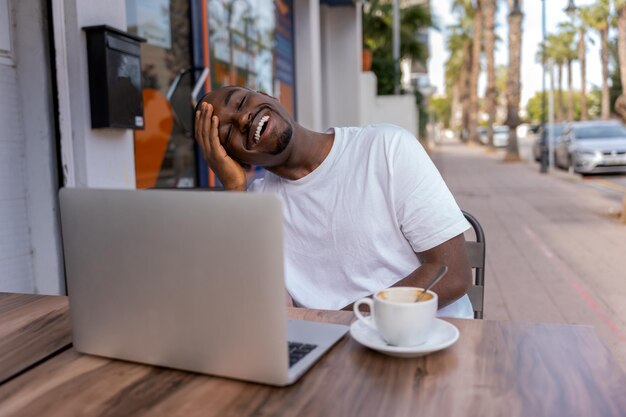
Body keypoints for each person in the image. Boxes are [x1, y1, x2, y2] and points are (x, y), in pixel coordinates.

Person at [195, 86, 474, 318]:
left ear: (269, 95)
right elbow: (272, 314)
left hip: (431, 342)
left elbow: (451, 274)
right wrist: (233, 189)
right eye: (228, 133)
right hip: (336, 359)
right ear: (235, 160)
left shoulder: (386, 147)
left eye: (242, 101)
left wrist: (342, 322)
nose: (243, 119)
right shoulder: (255, 208)